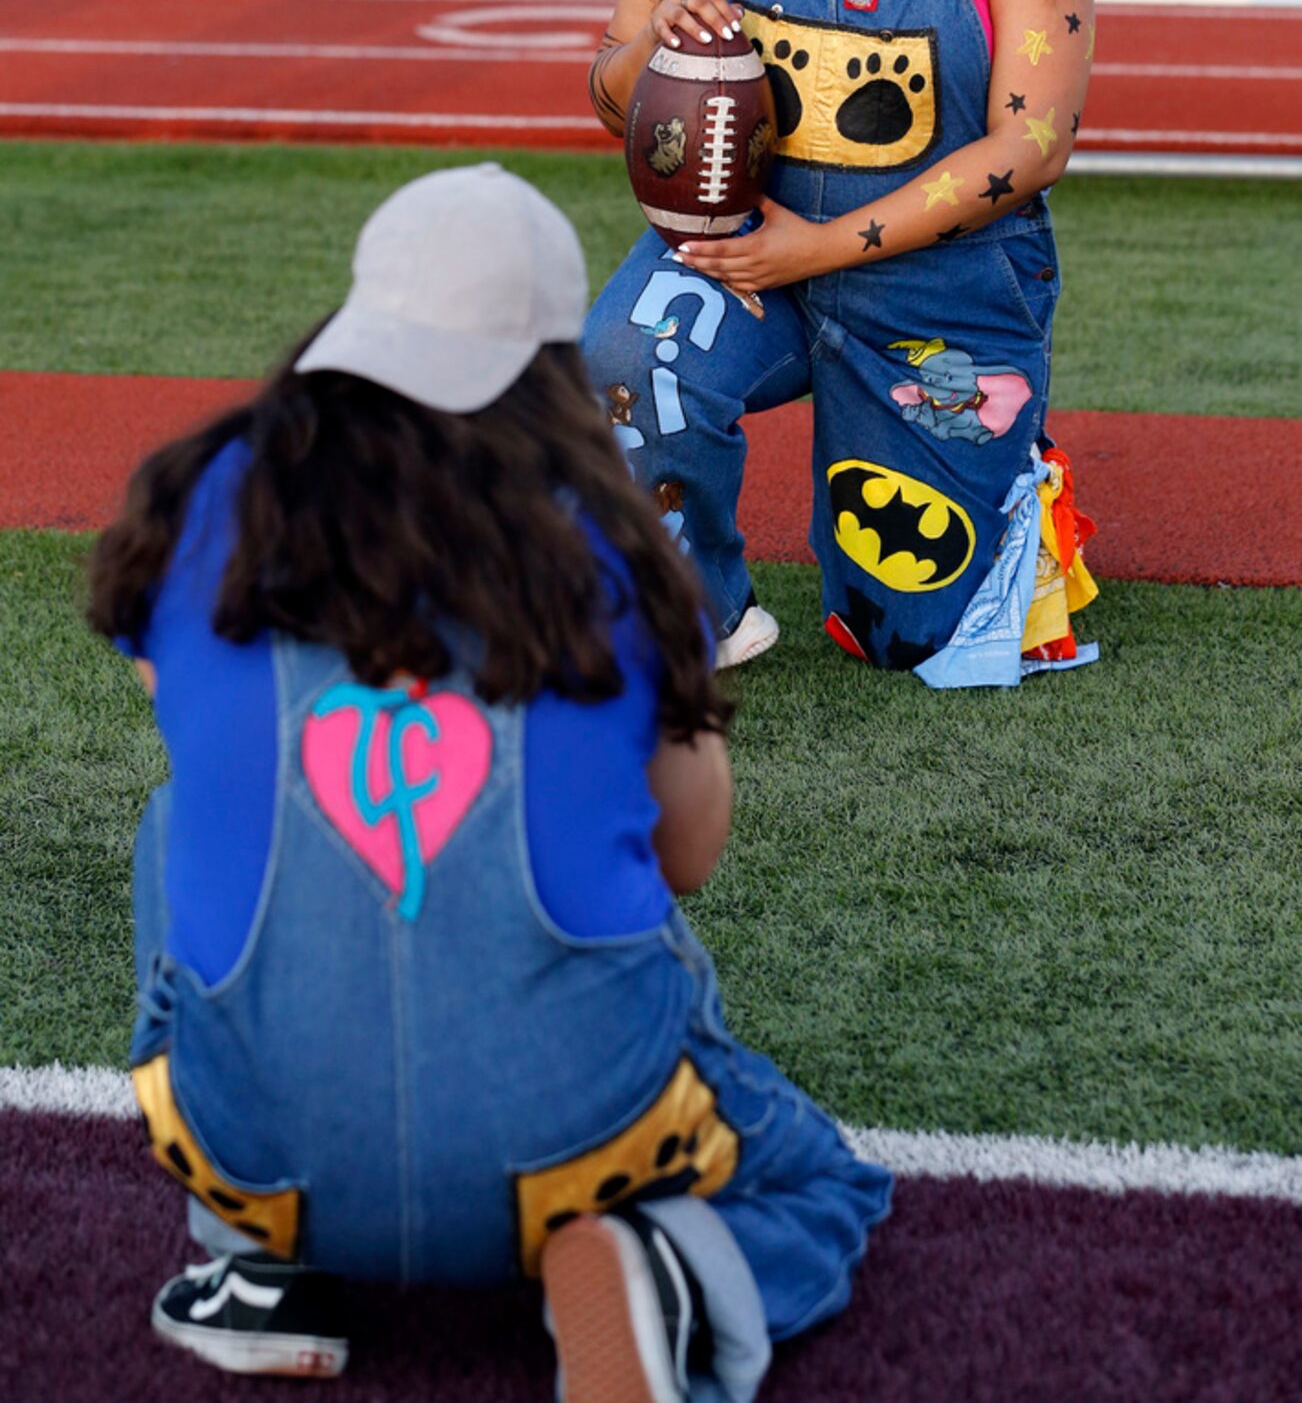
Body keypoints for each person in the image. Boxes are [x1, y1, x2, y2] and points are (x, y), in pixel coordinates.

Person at [87, 163, 891, 1399]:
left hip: (255, 1141)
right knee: (819, 1185)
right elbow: (688, 852)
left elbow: (186, 724)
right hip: (579, 1134)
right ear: (550, 367)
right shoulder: (619, 545)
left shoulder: (207, 504)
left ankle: (254, 1261)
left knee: (175, 819)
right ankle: (658, 1272)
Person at [584, 0, 1098, 686]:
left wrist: (818, 247)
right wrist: (659, 41)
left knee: (910, 633)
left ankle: (1004, 490)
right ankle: (693, 609)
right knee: (628, 359)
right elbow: (613, 86)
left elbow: (1031, 146)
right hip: (735, 250)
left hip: (938, 276)